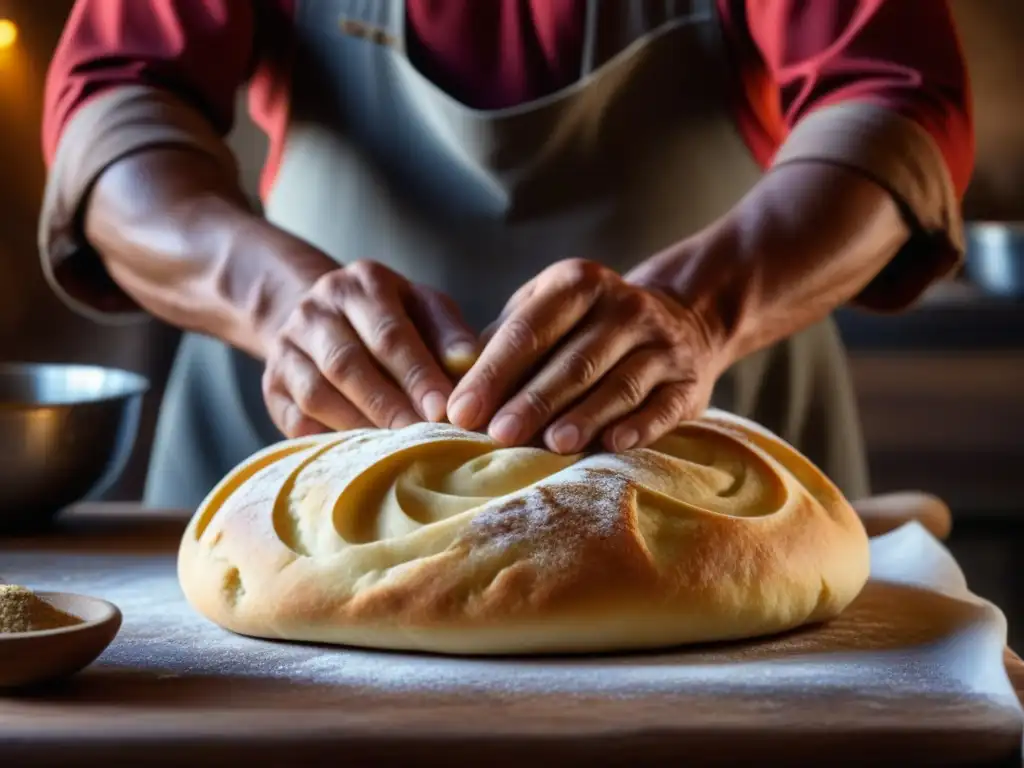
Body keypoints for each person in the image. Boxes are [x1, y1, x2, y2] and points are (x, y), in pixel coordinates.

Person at [40, 0, 972, 511]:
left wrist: (699, 312)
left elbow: (895, 107)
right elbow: (114, 105)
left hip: (707, 453)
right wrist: (278, 305)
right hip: (294, 456)